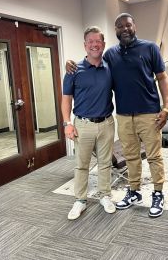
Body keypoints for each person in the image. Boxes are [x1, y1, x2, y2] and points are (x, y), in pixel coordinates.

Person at [66, 13, 168, 218]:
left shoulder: (150, 48)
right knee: (131, 156)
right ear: (115, 31)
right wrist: (70, 63)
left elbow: (162, 77)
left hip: (149, 114)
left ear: (134, 26)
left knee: (154, 156)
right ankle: (134, 191)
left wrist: (166, 108)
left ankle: (158, 193)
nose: (125, 29)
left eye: (128, 25)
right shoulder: (110, 54)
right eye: (120, 26)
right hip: (122, 115)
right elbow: (92, 62)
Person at [61, 26, 116, 220]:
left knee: (105, 164)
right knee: (82, 165)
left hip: (107, 123)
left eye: (98, 41)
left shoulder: (110, 67)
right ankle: (80, 201)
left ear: (103, 44)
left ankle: (105, 196)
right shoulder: (74, 69)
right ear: (85, 45)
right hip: (82, 125)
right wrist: (67, 123)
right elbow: (66, 98)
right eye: (90, 41)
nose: (94, 45)